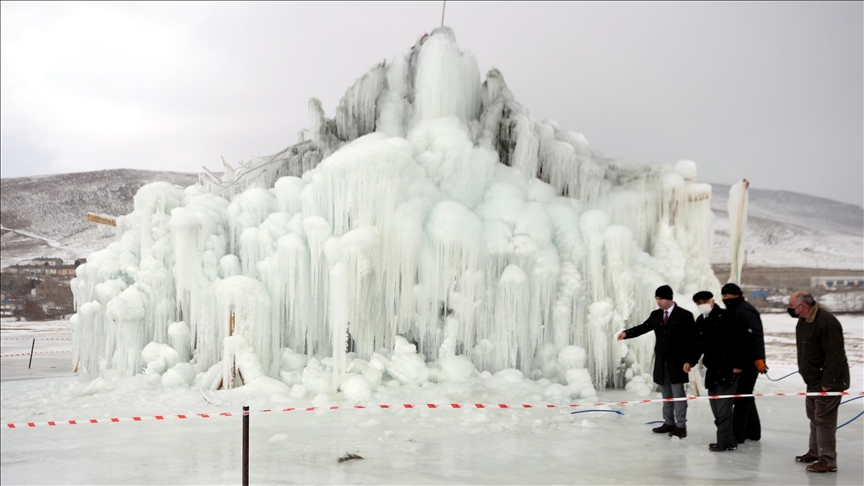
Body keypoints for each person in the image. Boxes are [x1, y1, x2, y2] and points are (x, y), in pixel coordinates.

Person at [617, 285, 697, 439]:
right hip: (661, 362)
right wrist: (627, 333)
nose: (658, 302)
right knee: (666, 394)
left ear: (669, 298)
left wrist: (690, 361)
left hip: (678, 363)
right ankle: (669, 422)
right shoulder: (656, 315)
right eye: (657, 298)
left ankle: (681, 426)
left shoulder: (684, 316)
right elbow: (644, 327)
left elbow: (692, 341)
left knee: (678, 394)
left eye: (661, 298)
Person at [788, 291, 849, 473]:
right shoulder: (803, 321)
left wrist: (828, 383)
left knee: (824, 421)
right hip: (813, 381)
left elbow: (835, 355)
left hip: (827, 383)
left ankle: (828, 460)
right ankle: (815, 452)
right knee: (814, 417)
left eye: (791, 306)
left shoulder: (826, 322)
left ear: (803, 306)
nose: (789, 309)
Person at [691, 291, 747, 452]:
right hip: (713, 371)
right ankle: (728, 440)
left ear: (712, 301)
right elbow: (698, 345)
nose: (702, 305)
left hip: (729, 369)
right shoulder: (701, 320)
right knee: (716, 407)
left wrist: (739, 365)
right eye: (699, 302)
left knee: (723, 409)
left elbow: (741, 340)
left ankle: (724, 442)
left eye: (705, 301)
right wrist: (691, 361)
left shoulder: (727, 317)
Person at [720, 283, 767, 444]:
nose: (724, 299)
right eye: (723, 296)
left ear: (736, 295)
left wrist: (758, 357)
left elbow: (755, 335)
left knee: (741, 398)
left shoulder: (745, 310)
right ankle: (753, 432)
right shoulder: (733, 310)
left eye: (727, 296)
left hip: (749, 361)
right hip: (740, 360)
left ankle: (738, 434)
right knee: (745, 396)